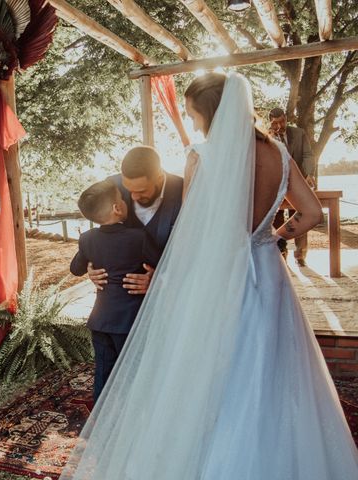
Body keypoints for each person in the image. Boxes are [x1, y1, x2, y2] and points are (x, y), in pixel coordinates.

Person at [61, 73, 358, 479]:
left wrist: (170, 282)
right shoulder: (279, 155)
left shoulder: (202, 155)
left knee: (212, 367)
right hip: (267, 273)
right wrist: (269, 236)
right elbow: (311, 214)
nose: (194, 122)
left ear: (212, 114)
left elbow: (192, 232)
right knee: (273, 363)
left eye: (194, 114)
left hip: (220, 276)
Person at [70, 180, 161, 401]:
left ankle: (102, 416)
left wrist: (91, 264)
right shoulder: (138, 238)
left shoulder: (87, 238)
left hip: (101, 321)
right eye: (122, 198)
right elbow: (161, 262)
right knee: (133, 372)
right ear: (117, 208)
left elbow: (75, 269)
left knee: (103, 372)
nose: (125, 201)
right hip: (129, 321)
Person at [88, 146, 183, 295]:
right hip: (122, 302)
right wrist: (92, 267)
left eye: (141, 191)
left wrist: (161, 280)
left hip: (168, 296)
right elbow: (104, 235)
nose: (133, 197)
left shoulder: (183, 190)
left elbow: (194, 250)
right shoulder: (112, 185)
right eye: (129, 189)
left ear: (159, 177)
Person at [269, 107, 315, 266]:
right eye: (276, 123)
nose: (280, 125)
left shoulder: (299, 133)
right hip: (277, 185)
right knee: (278, 219)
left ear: (286, 118)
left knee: (301, 215)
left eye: (282, 121)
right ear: (270, 122)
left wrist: (309, 174)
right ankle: (281, 255)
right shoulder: (267, 137)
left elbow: (308, 155)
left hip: (298, 182)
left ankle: (300, 255)